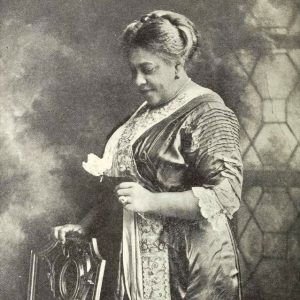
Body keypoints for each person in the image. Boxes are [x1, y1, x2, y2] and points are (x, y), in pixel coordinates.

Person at [53, 10, 243, 300]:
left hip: (191, 269)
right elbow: (124, 186)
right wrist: (84, 226)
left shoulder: (208, 112)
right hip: (136, 264)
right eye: (134, 71)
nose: (138, 81)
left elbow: (227, 193)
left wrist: (152, 201)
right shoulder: (144, 113)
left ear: (177, 65)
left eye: (148, 69)